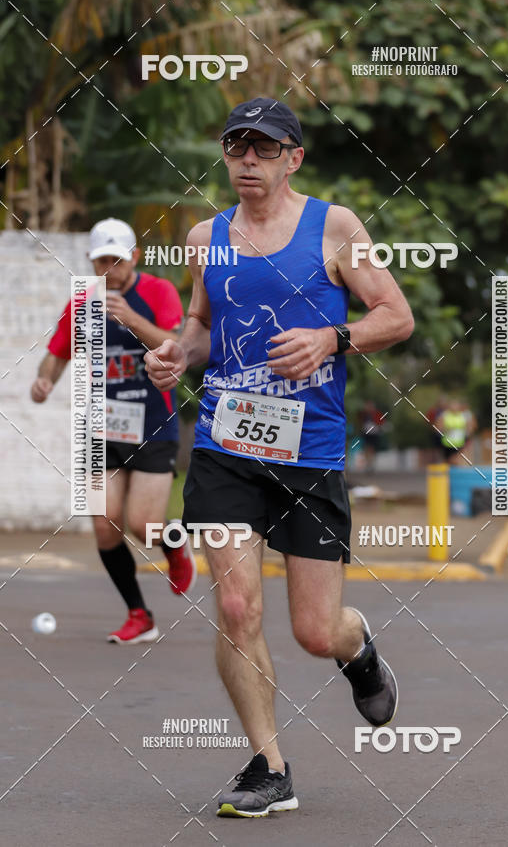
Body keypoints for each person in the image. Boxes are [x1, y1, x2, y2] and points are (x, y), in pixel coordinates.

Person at [145, 97, 414, 817]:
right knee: (236, 604)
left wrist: (331, 339)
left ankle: (358, 651)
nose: (248, 160)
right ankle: (269, 767)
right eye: (237, 147)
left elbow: (397, 315)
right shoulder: (206, 236)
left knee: (314, 631)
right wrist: (177, 353)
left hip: (309, 449)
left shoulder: (336, 227)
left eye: (264, 148)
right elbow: (200, 324)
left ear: (293, 158)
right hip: (224, 444)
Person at [30, 218, 196, 643]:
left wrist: (131, 318)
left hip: (152, 423)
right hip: (100, 428)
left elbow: (175, 345)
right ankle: (139, 615)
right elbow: (57, 352)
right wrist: (45, 380)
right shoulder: (82, 301)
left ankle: (174, 545)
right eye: (101, 261)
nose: (109, 269)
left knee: (143, 524)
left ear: (134, 257)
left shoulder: (158, 291)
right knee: (105, 526)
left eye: (117, 260)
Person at [436, 398, 476, 465]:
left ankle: (456, 469)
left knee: (456, 460)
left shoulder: (463, 415)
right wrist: (446, 429)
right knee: (448, 461)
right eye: (452, 406)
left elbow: (471, 427)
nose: (454, 408)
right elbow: (438, 427)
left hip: (460, 443)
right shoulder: (444, 415)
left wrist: (467, 434)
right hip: (447, 443)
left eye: (456, 406)